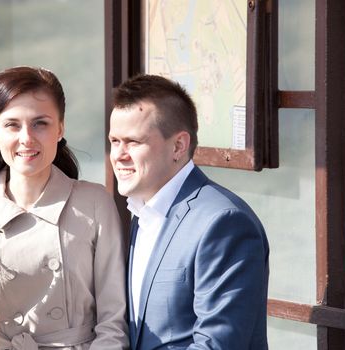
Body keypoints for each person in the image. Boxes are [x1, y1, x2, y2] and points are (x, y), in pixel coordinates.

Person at [0, 66, 129, 350]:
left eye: (40, 123)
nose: (27, 138)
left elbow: (114, 321)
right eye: (12, 125)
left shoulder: (93, 203)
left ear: (61, 128)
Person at [108, 74, 269, 350]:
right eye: (114, 141)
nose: (119, 155)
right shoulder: (142, 212)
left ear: (179, 146)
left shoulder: (225, 223)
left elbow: (217, 345)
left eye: (133, 142)